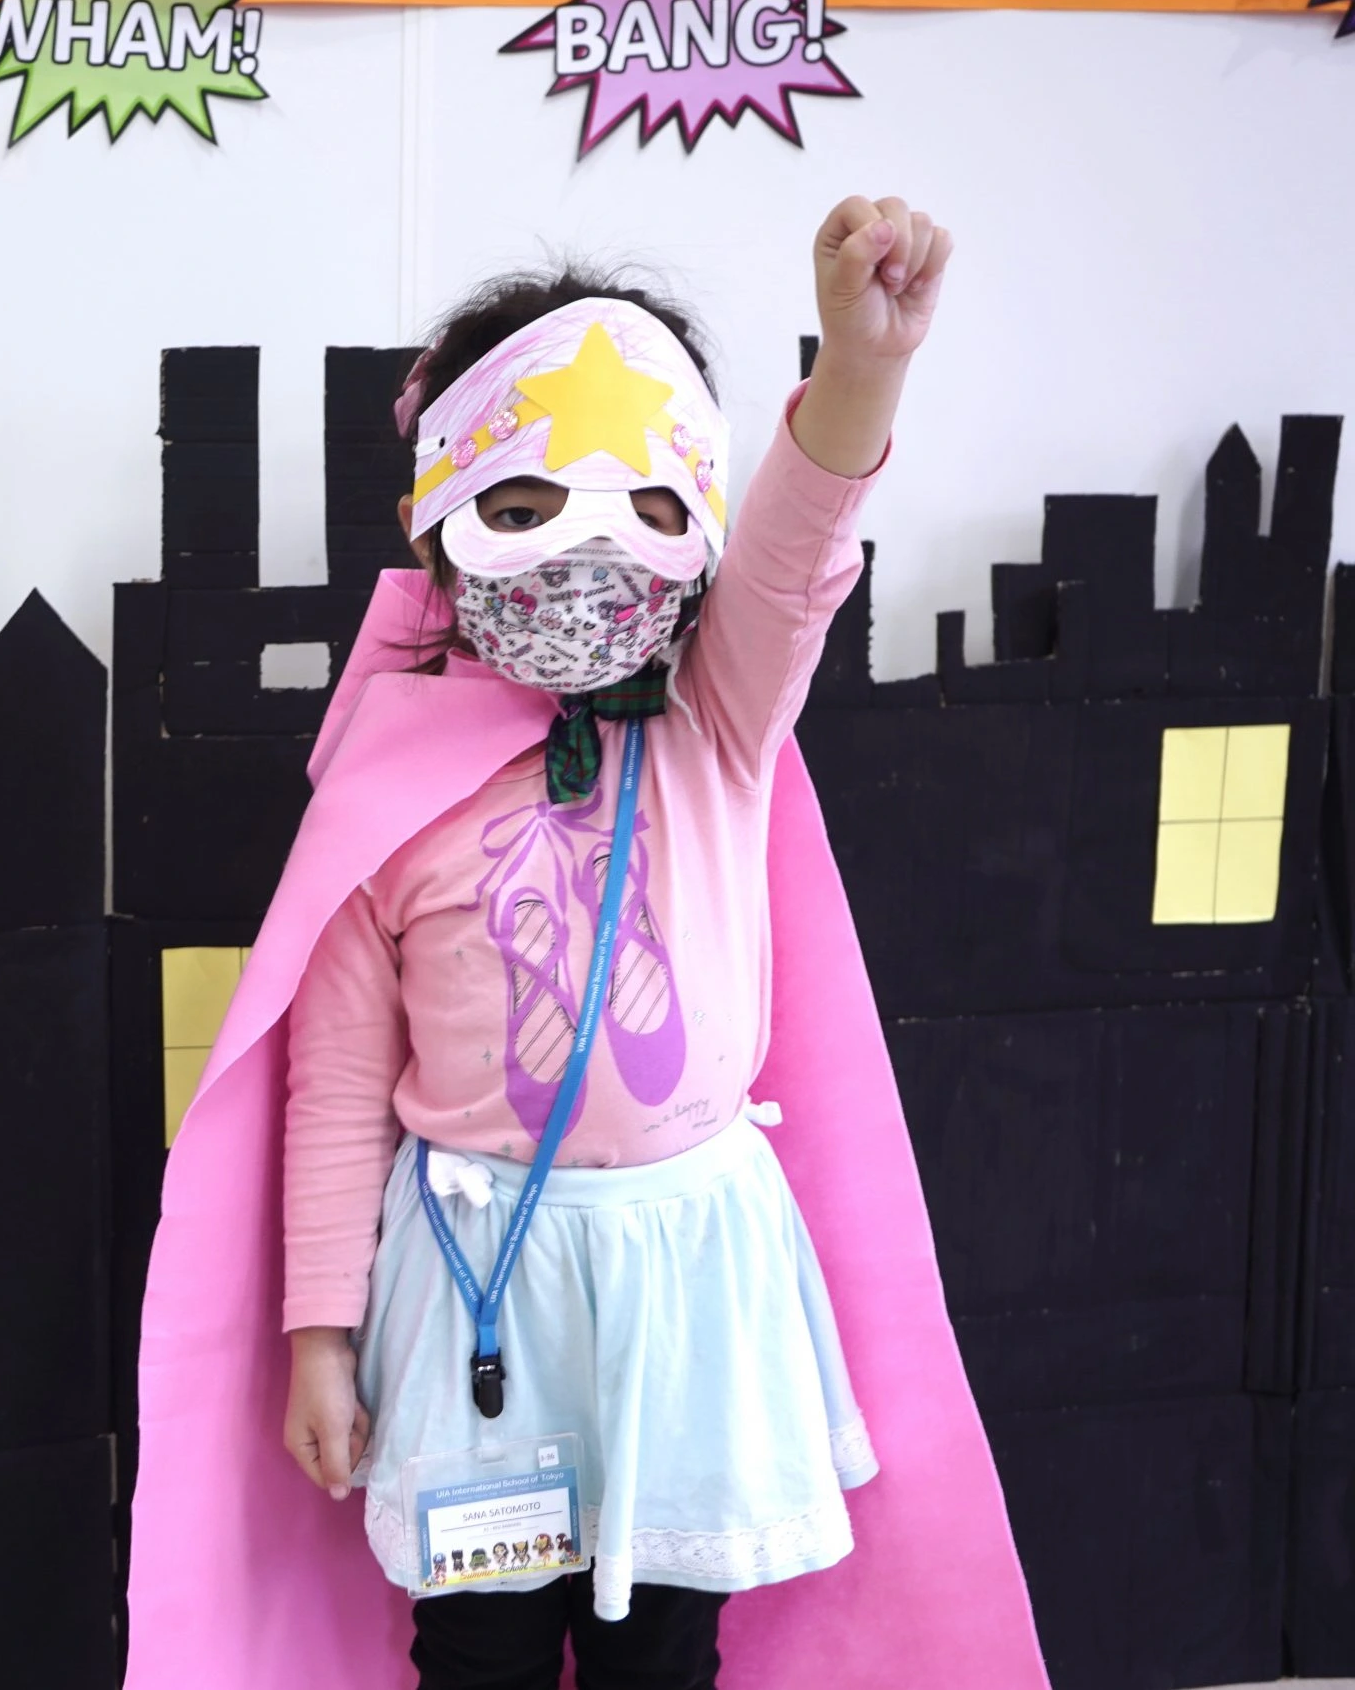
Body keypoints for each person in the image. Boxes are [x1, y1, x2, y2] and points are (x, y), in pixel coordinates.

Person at [126, 197, 1048, 1690]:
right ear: (441, 510)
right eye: (526, 499)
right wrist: (317, 1332)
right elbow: (338, 1081)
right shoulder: (387, 783)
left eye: (646, 501)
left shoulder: (717, 719)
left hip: (689, 1280)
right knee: (476, 1648)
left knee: (664, 1651)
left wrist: (864, 369)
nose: (587, 552)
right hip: (472, 1267)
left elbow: (801, 553)